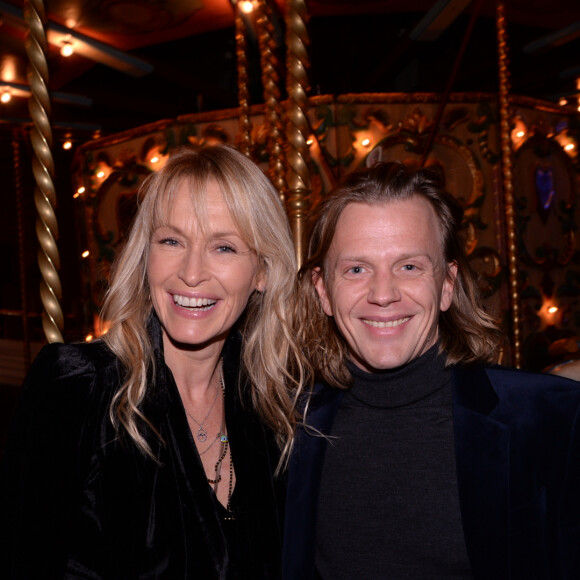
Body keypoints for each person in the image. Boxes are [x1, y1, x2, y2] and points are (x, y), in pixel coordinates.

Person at [1, 144, 304, 578]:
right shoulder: (77, 386)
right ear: (146, 256)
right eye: (171, 241)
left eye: (224, 248)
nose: (192, 271)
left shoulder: (274, 409)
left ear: (263, 272)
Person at [283, 161, 580, 580]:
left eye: (409, 266)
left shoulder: (554, 419)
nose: (383, 294)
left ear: (446, 285)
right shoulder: (287, 428)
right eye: (356, 269)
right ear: (323, 291)